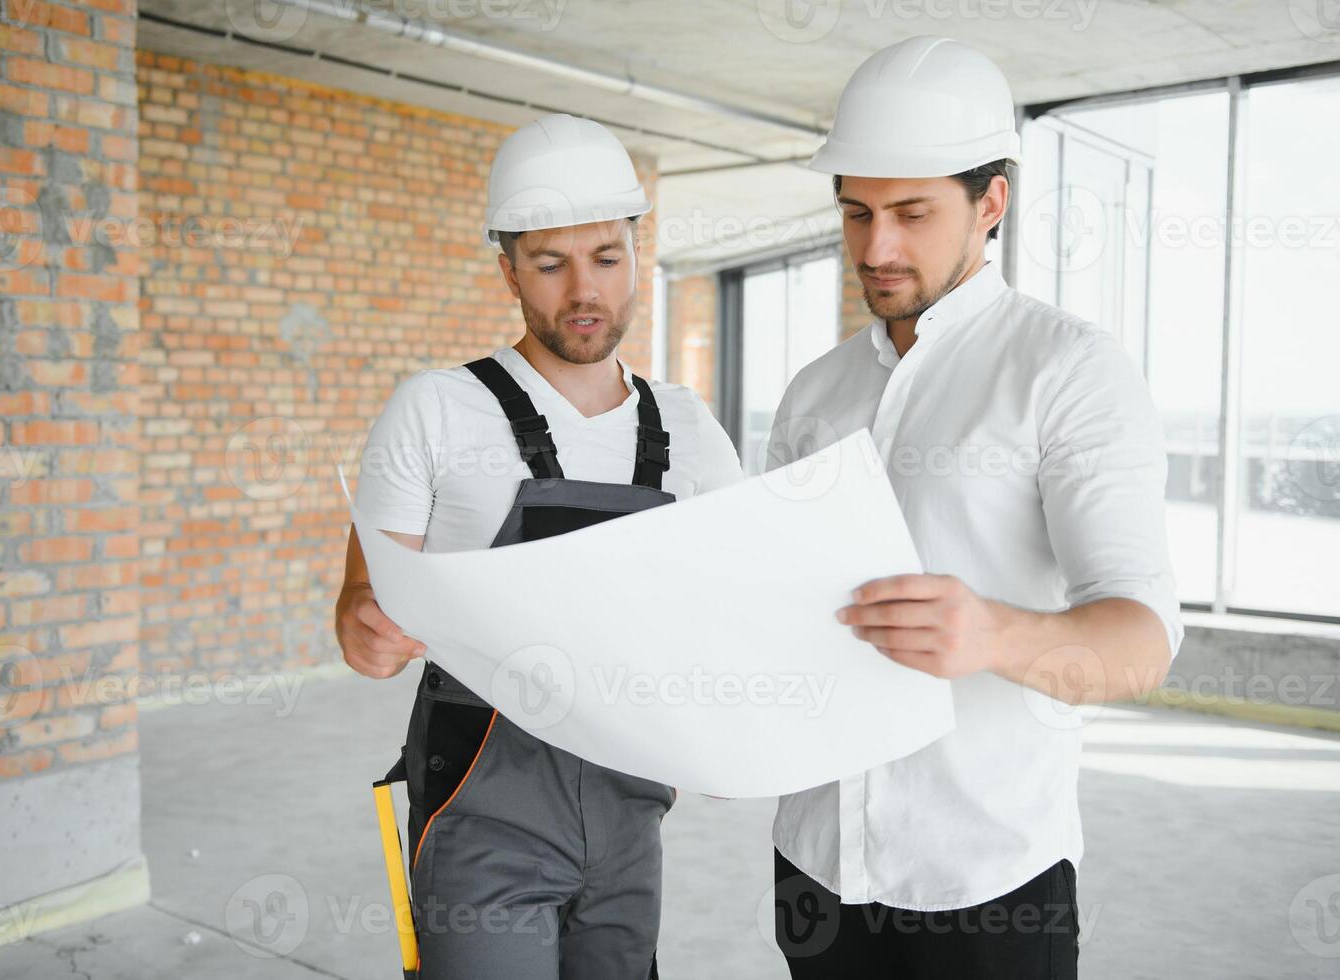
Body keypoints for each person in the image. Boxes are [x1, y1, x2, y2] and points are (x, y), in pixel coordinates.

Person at [767, 35, 1184, 979]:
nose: (876, 248)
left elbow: (1143, 638)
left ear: (990, 202)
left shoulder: (1069, 371)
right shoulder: (813, 391)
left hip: (985, 883)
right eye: (856, 212)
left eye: (912, 213)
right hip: (816, 870)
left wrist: (992, 636)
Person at [335, 112, 742, 979]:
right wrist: (369, 627)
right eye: (549, 264)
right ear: (507, 269)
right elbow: (358, 616)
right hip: (483, 816)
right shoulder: (435, 410)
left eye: (605, 257)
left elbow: (732, 610)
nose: (582, 291)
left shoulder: (691, 430)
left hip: (632, 814)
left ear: (637, 252)